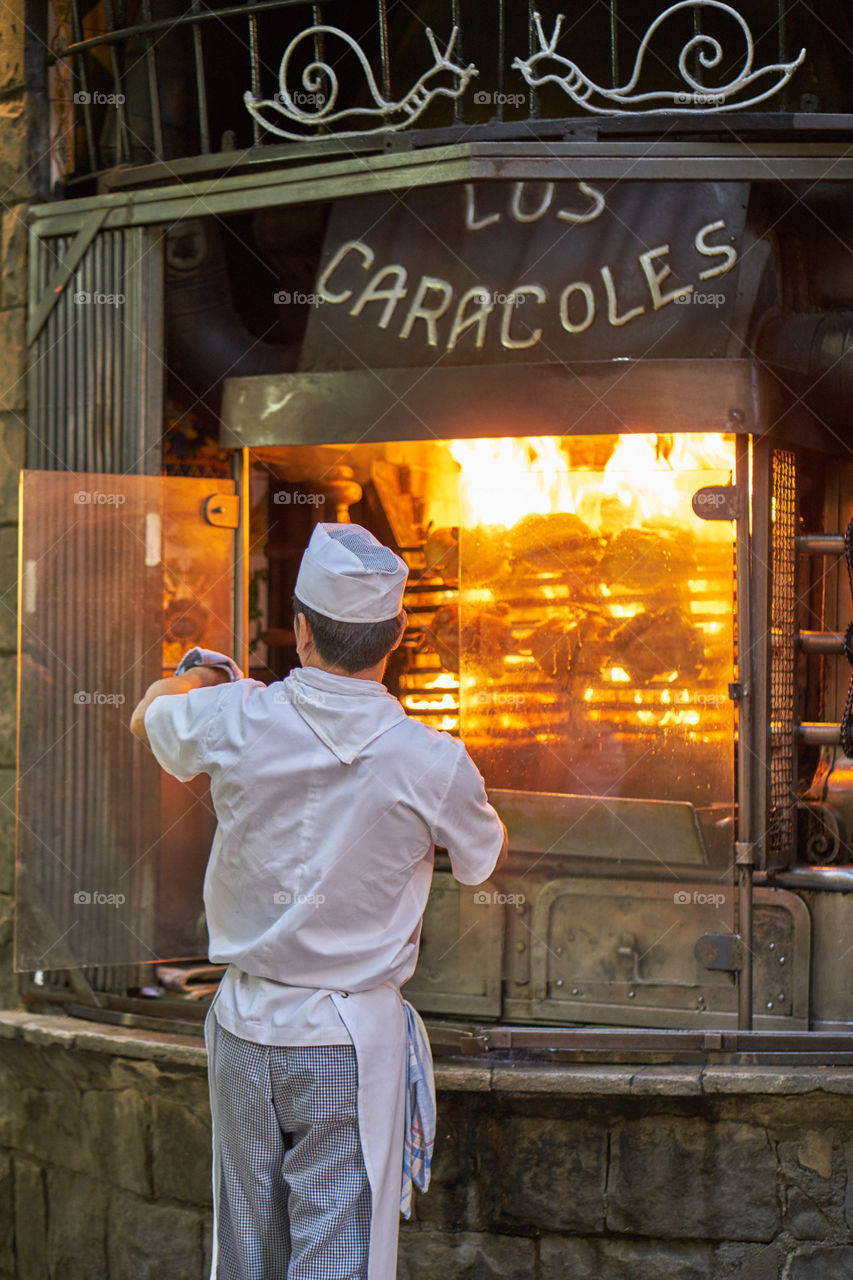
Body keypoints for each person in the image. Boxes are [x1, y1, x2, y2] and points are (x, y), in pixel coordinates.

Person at [129, 521, 508, 1280]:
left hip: (242, 1026)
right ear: (397, 634)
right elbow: (478, 864)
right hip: (343, 1038)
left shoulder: (235, 713)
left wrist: (202, 675)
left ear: (299, 629)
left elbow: (146, 714)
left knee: (246, 1253)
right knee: (336, 1258)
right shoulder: (432, 760)